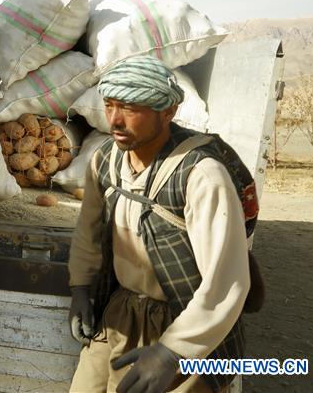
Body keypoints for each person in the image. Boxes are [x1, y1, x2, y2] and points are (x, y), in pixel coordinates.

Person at [67, 56, 251, 393]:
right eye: (109, 106)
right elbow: (88, 234)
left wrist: (172, 352)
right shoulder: (105, 160)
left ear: (168, 112)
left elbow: (226, 282)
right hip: (120, 314)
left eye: (130, 108)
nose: (115, 120)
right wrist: (80, 288)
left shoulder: (202, 174)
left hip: (186, 322)